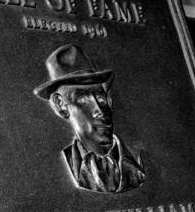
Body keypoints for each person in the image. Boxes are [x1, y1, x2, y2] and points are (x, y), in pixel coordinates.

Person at [34, 44, 145, 194]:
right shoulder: (48, 170)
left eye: (100, 97)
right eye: (83, 99)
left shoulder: (139, 159)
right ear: (60, 105)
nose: (100, 111)